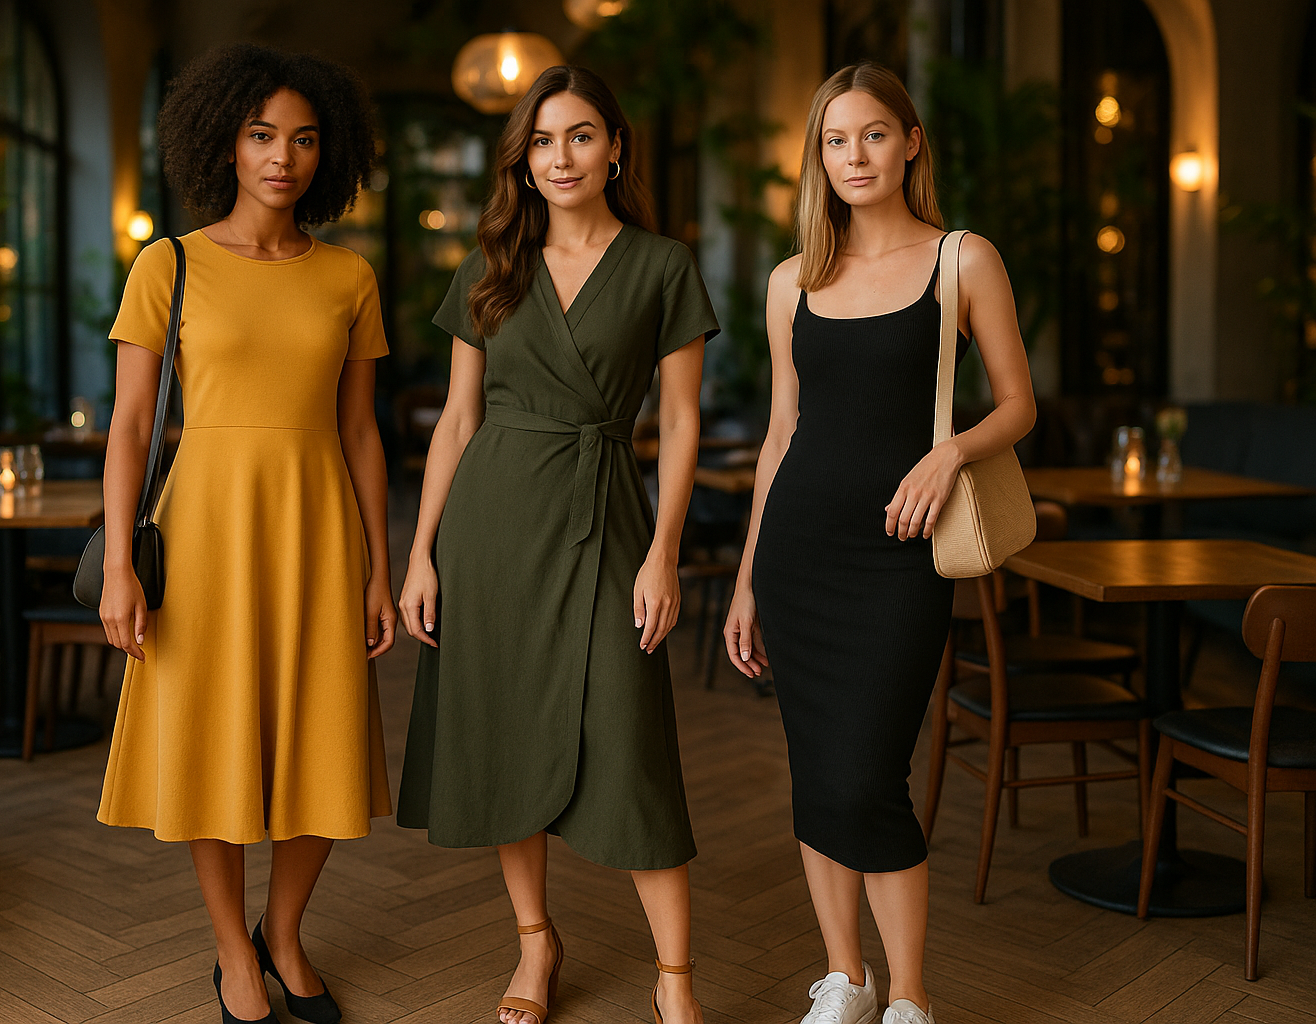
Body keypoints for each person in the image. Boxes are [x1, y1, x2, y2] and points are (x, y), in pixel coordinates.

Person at [396, 65, 718, 1024]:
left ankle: (676, 980)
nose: (560, 157)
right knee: (500, 736)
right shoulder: (490, 264)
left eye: (580, 135)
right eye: (540, 141)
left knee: (632, 738)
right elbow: (455, 423)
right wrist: (421, 554)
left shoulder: (663, 265)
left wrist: (664, 552)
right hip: (491, 524)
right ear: (521, 160)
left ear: (616, 147)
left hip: (610, 512)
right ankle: (535, 946)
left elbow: (683, 421)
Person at [724, 62, 1036, 1024]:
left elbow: (1022, 405)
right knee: (817, 767)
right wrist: (743, 584)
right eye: (834, 139)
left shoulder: (962, 261)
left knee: (868, 771)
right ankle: (845, 980)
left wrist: (949, 454)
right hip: (798, 555)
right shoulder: (793, 282)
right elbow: (781, 435)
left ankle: (910, 997)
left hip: (902, 560)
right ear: (818, 157)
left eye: (871, 134)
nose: (853, 155)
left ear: (909, 143)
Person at [95, 43, 396, 1024]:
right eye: (263, 134)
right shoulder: (166, 264)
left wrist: (381, 570)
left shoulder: (350, 276)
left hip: (317, 530)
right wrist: (116, 572)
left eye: (305, 139)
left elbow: (361, 432)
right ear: (225, 141)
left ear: (329, 154)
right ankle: (232, 949)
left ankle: (286, 930)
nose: (283, 156)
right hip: (203, 533)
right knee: (209, 740)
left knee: (322, 739)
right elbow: (131, 425)